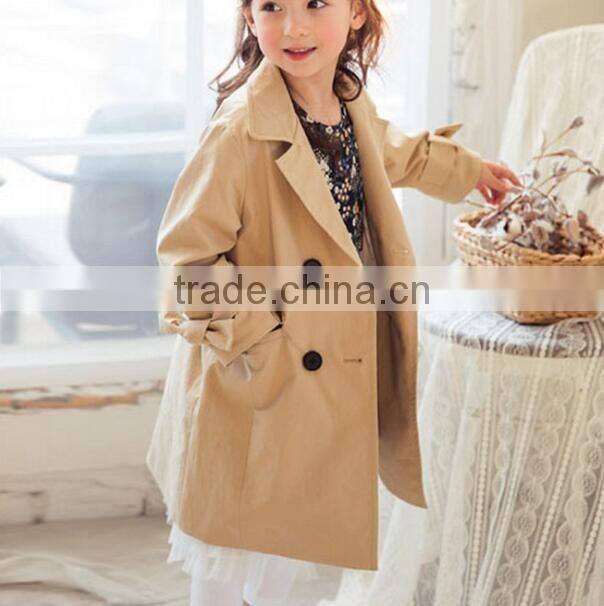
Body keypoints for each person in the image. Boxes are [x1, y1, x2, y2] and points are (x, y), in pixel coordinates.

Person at [145, 1, 522, 605]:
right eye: (272, 6)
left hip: (313, 387)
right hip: (256, 382)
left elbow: (395, 152)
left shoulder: (347, 103)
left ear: (355, 13)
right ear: (250, 18)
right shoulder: (240, 132)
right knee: (230, 554)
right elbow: (188, 260)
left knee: (288, 549)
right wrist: (260, 338)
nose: (294, 26)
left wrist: (469, 169)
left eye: (316, 3)